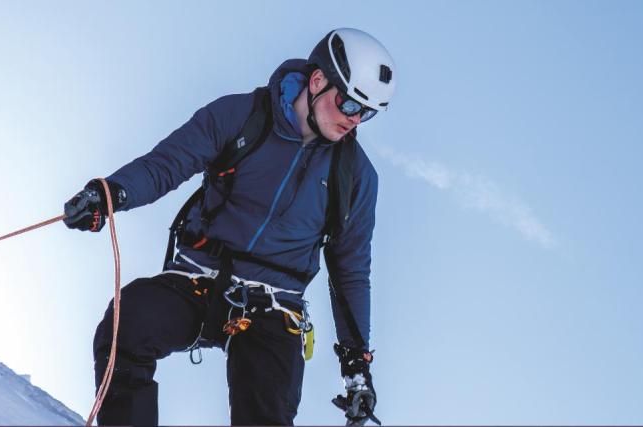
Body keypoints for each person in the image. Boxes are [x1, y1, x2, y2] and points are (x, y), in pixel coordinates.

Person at [63, 27, 396, 426]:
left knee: (265, 416)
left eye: (367, 112)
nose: (354, 119)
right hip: (199, 279)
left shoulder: (356, 176)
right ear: (319, 80)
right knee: (126, 325)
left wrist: (357, 365)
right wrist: (110, 195)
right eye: (348, 103)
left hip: (275, 307)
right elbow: (168, 164)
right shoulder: (241, 116)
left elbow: (350, 272)